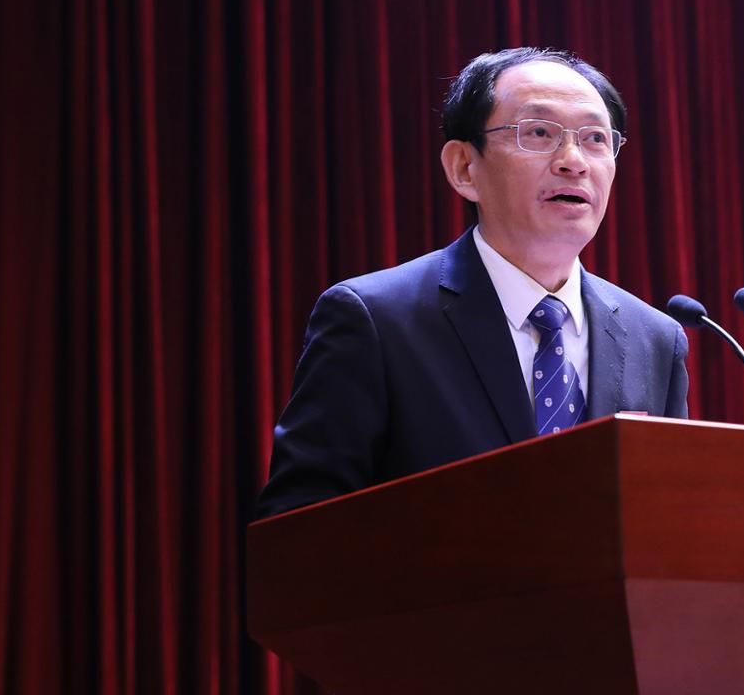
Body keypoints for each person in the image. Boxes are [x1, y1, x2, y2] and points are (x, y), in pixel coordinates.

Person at [256, 47, 689, 518]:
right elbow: (297, 525)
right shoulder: (377, 321)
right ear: (464, 167)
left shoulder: (655, 338)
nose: (574, 161)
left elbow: (667, 520)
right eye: (539, 132)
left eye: (595, 139)